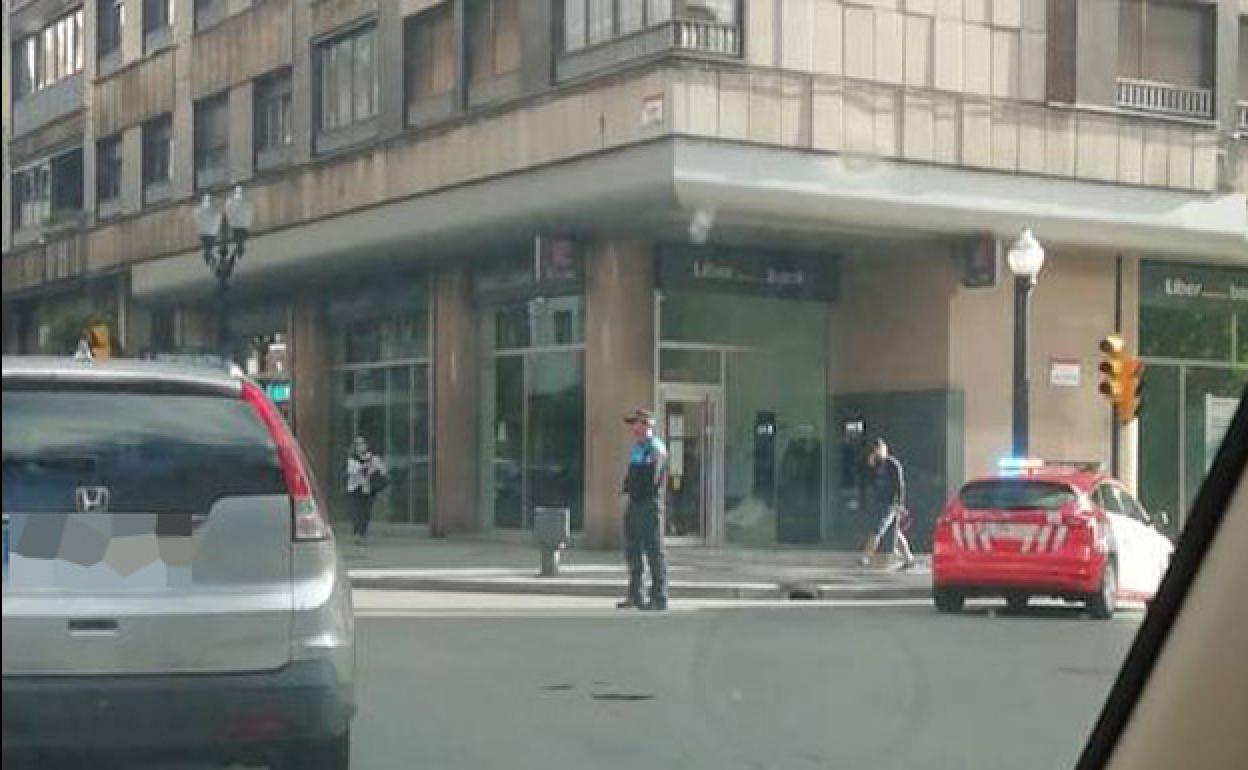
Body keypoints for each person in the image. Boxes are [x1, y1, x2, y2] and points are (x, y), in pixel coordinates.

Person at [617, 408, 669, 611]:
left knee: (654, 549)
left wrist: (634, 492)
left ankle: (659, 596)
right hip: (635, 503)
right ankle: (635, 594)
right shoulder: (637, 449)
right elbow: (631, 475)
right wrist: (625, 492)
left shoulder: (656, 448)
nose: (634, 428)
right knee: (633, 548)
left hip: (649, 504)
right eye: (633, 424)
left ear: (648, 425)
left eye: (638, 424)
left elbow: (652, 480)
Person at [858, 437, 916, 570]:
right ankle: (909, 558)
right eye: (875, 450)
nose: (878, 453)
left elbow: (900, 485)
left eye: (880, 449)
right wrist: (870, 467)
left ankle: (866, 557)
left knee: (877, 529)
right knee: (895, 532)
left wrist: (900, 503)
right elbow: (868, 481)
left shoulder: (892, 465)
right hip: (879, 501)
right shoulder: (875, 465)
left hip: (891, 504)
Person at [345, 434, 387, 546]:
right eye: (358, 444)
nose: (361, 446)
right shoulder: (352, 459)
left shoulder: (373, 458)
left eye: (362, 443)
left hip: (369, 489)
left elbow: (382, 471)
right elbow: (352, 471)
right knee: (356, 512)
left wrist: (376, 466)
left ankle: (362, 534)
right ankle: (356, 533)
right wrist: (365, 465)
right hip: (355, 489)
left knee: (366, 513)